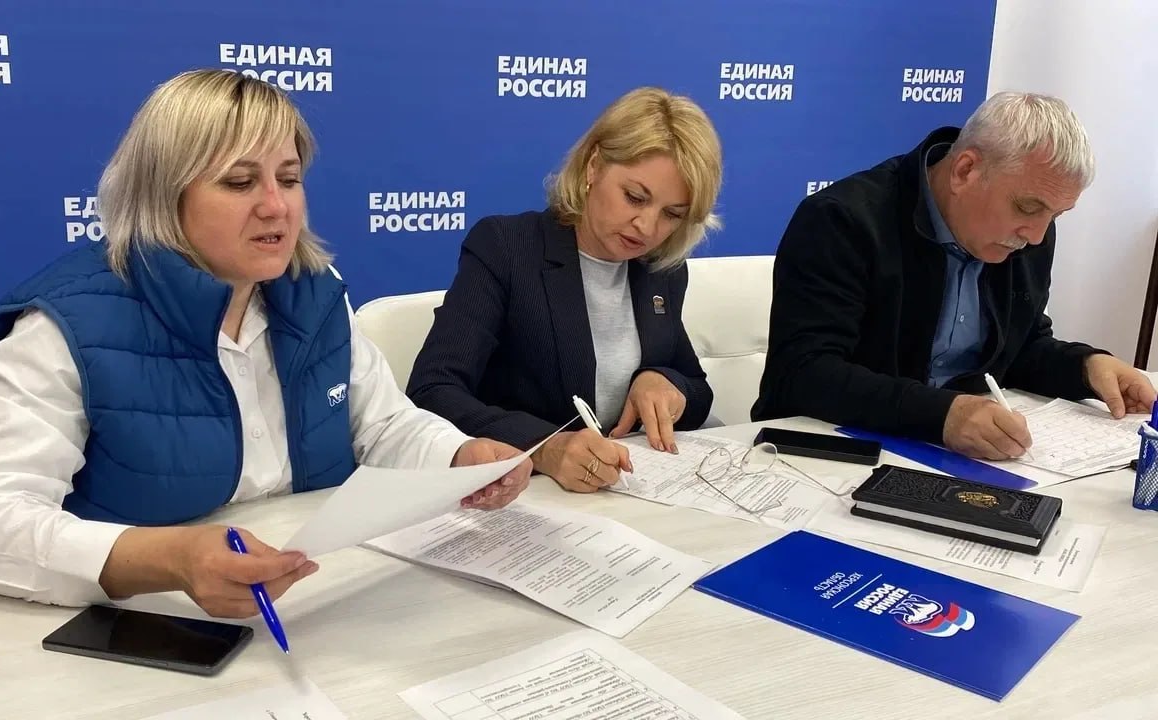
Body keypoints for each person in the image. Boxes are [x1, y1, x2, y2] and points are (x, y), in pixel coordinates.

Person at [0, 69, 533, 618]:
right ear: (164, 195)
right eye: (239, 182)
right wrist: (170, 559)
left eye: (289, 179)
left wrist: (458, 456)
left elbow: (382, 426)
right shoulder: (62, 326)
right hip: (143, 626)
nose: (275, 206)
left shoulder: (316, 293)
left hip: (318, 604)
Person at [752, 91, 1156, 460]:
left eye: (1056, 215)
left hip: (958, 457)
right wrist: (942, 414)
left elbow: (1019, 349)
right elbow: (804, 374)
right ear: (965, 170)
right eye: (1028, 207)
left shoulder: (1029, 235)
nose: (1036, 236)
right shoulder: (842, 220)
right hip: (831, 455)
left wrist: (1085, 367)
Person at [406, 87, 722, 493]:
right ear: (593, 166)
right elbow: (432, 390)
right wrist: (544, 447)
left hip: (627, 494)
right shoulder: (507, 247)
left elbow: (697, 388)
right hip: (521, 493)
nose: (647, 226)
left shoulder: (661, 269)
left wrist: (664, 382)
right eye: (634, 197)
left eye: (672, 214)